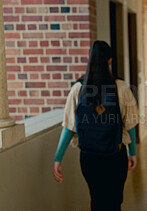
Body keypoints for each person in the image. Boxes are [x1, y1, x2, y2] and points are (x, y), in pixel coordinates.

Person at [52, 41, 139, 211]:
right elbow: (130, 124)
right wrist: (133, 153)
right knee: (114, 201)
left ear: (89, 59)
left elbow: (69, 127)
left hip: (89, 157)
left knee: (96, 200)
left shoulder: (78, 89)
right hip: (115, 155)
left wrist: (57, 158)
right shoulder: (121, 87)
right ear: (110, 60)